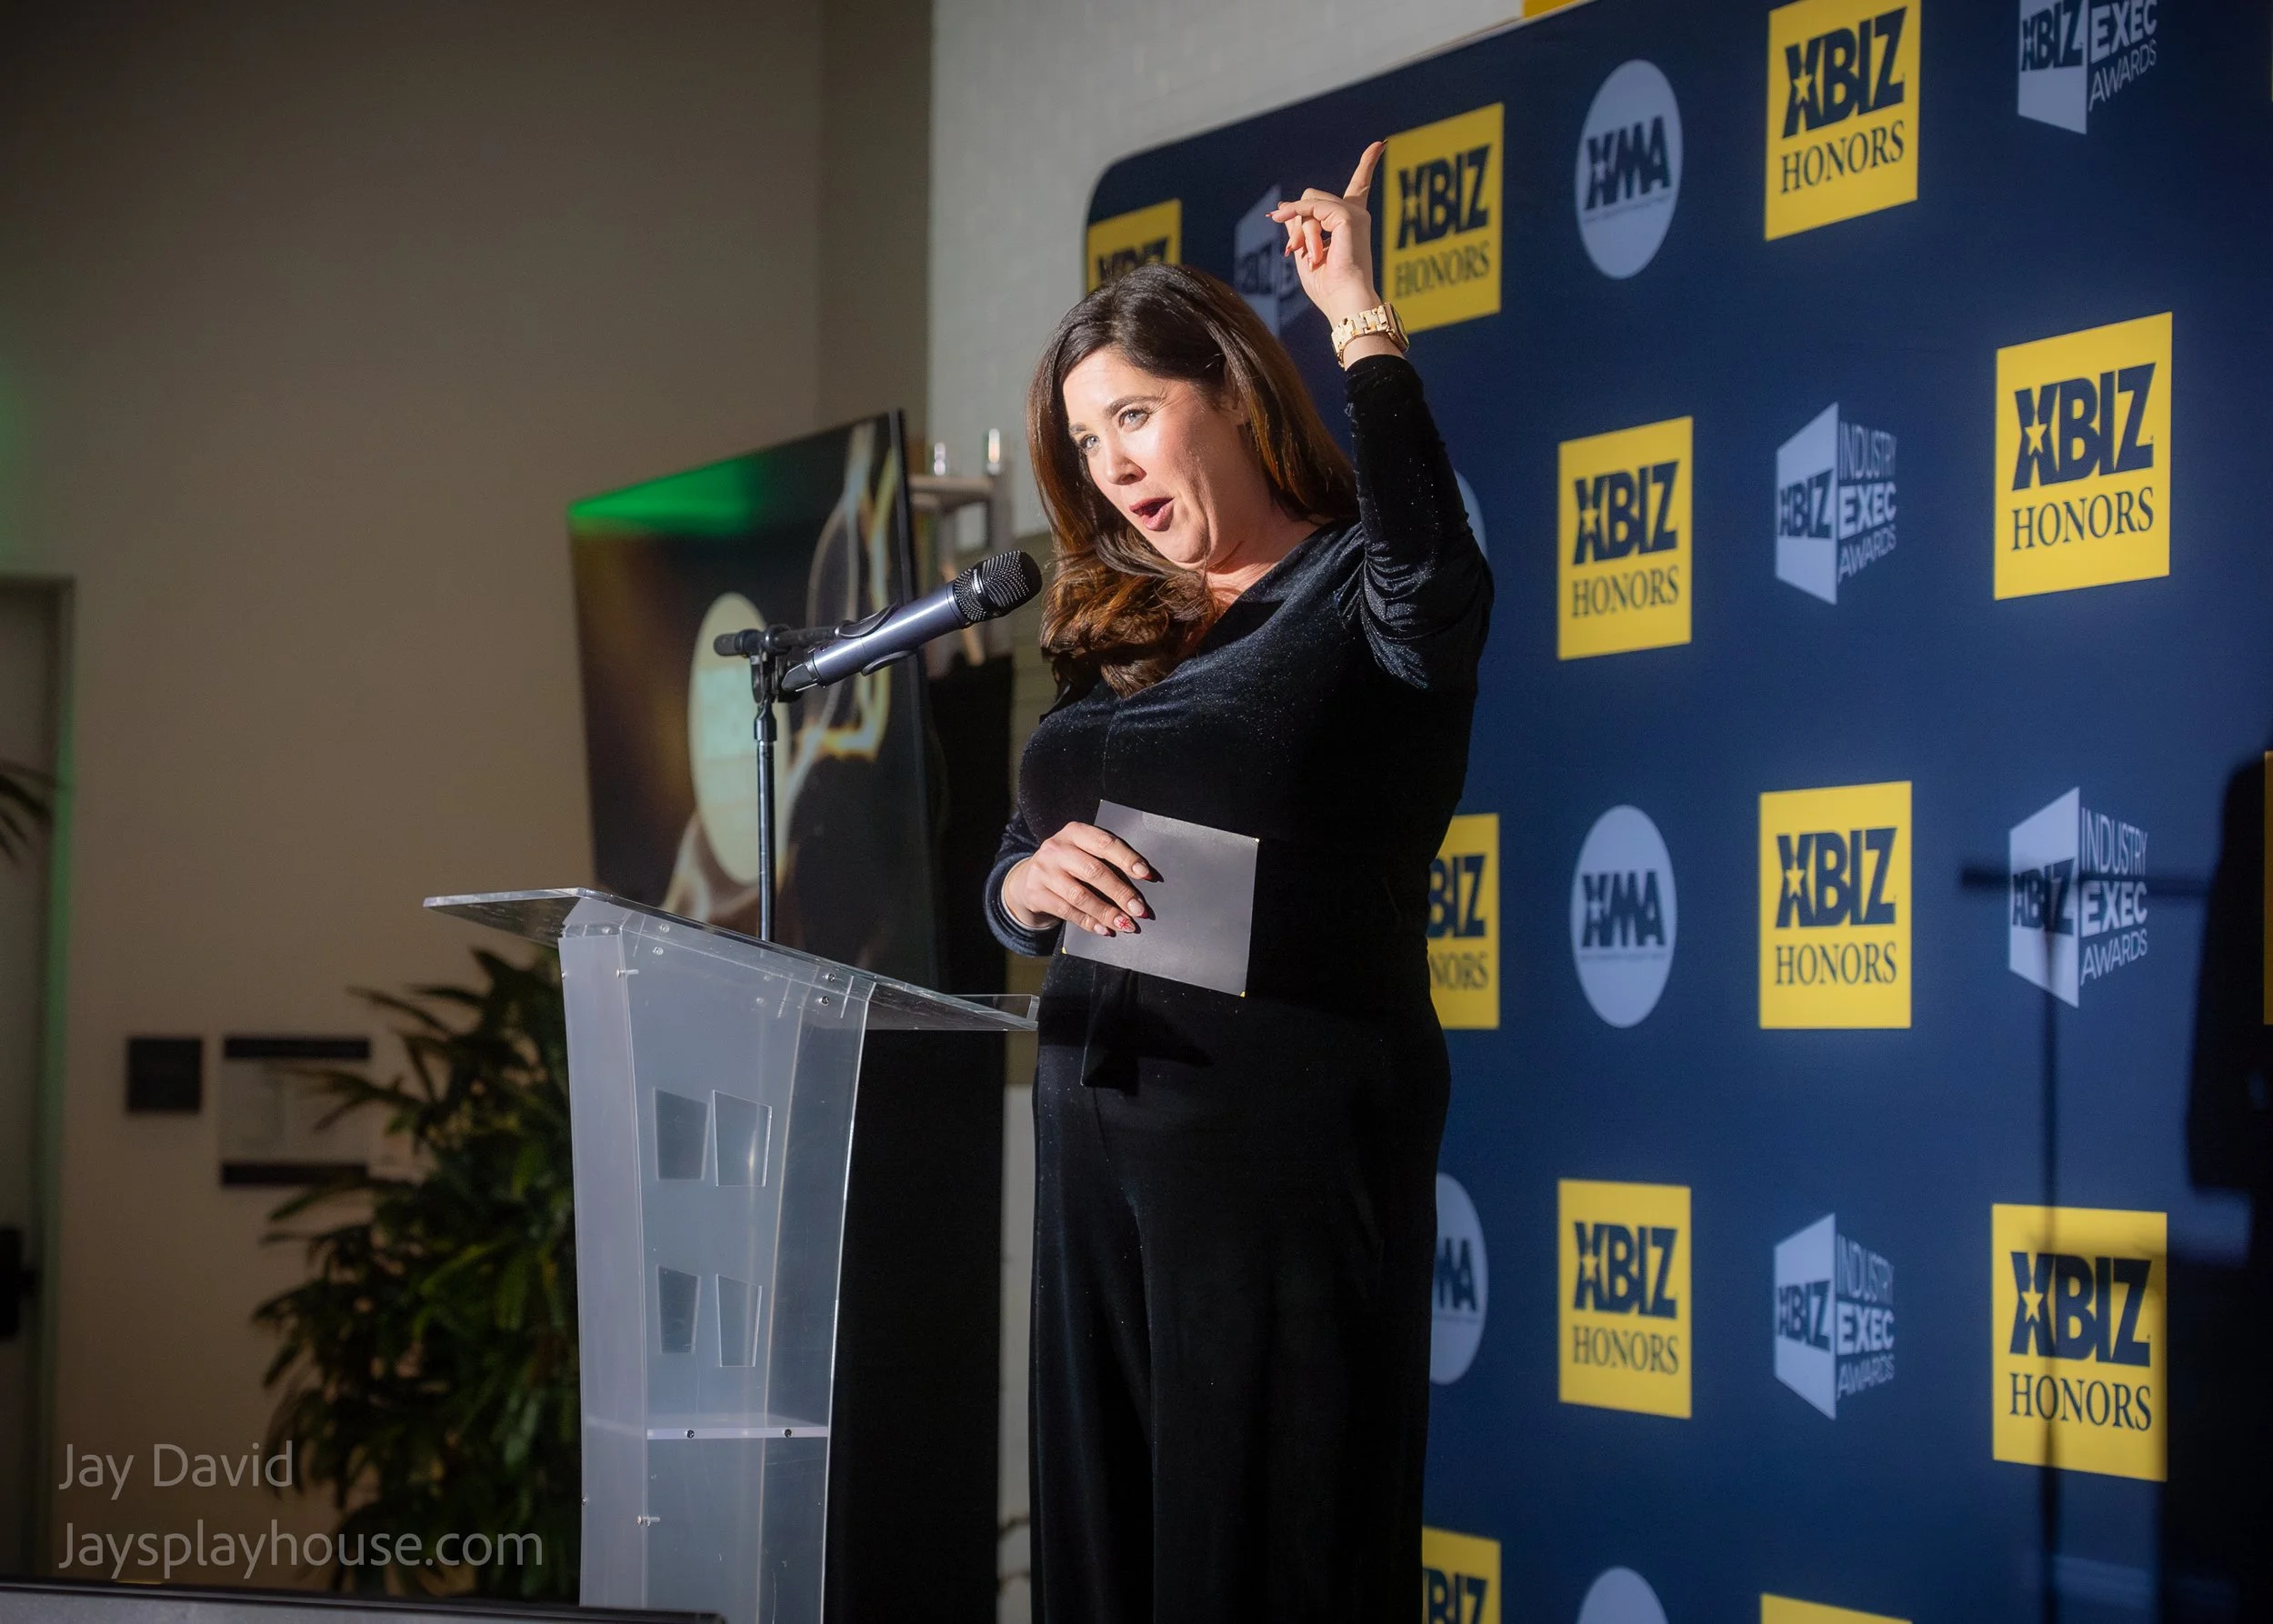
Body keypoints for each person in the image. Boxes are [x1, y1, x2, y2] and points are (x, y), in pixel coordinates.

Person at [986, 144, 1493, 1622]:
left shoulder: (1362, 594)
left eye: (1134, 415)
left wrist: (1359, 320)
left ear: (1231, 391)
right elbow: (1020, 854)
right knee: (1105, 1557)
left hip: (1274, 1154)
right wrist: (1023, 890)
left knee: (1264, 1558)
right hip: (1091, 1144)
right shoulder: (1120, 627)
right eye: (1086, 441)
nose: (1110, 465)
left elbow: (1430, 573)